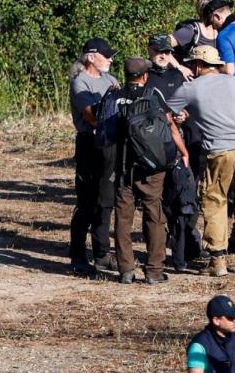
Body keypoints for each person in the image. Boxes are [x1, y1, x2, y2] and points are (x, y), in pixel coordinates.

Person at [167, 45, 235, 277]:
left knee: (215, 202)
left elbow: (166, 114)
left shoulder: (189, 88)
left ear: (197, 65)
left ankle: (218, 260)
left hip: (219, 152)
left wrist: (180, 139)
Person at [107, 57, 188, 284]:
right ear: (145, 76)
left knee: (123, 218)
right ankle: (153, 271)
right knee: (154, 215)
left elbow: (106, 132)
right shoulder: (153, 96)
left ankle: (126, 270)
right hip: (152, 168)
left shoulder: (115, 97)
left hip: (123, 167)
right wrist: (181, 152)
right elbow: (170, 124)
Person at [148, 34, 204, 271]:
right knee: (162, 203)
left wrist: (185, 115)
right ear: (150, 51)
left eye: (167, 51)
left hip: (183, 146)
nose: (163, 55)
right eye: (158, 51)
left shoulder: (178, 76)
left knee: (185, 202)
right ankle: (162, 252)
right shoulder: (144, 76)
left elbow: (191, 105)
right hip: (155, 145)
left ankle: (184, 252)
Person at [68, 37, 119, 275]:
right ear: (91, 57)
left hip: (110, 143)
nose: (110, 59)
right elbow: (91, 116)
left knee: (106, 202)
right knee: (87, 202)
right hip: (90, 143)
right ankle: (78, 255)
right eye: (105, 55)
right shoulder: (80, 82)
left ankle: (102, 254)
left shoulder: (110, 80)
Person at [171, 0, 220, 78]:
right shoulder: (191, 31)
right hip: (191, 82)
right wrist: (179, 67)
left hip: (213, 82)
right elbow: (161, 43)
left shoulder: (222, 31)